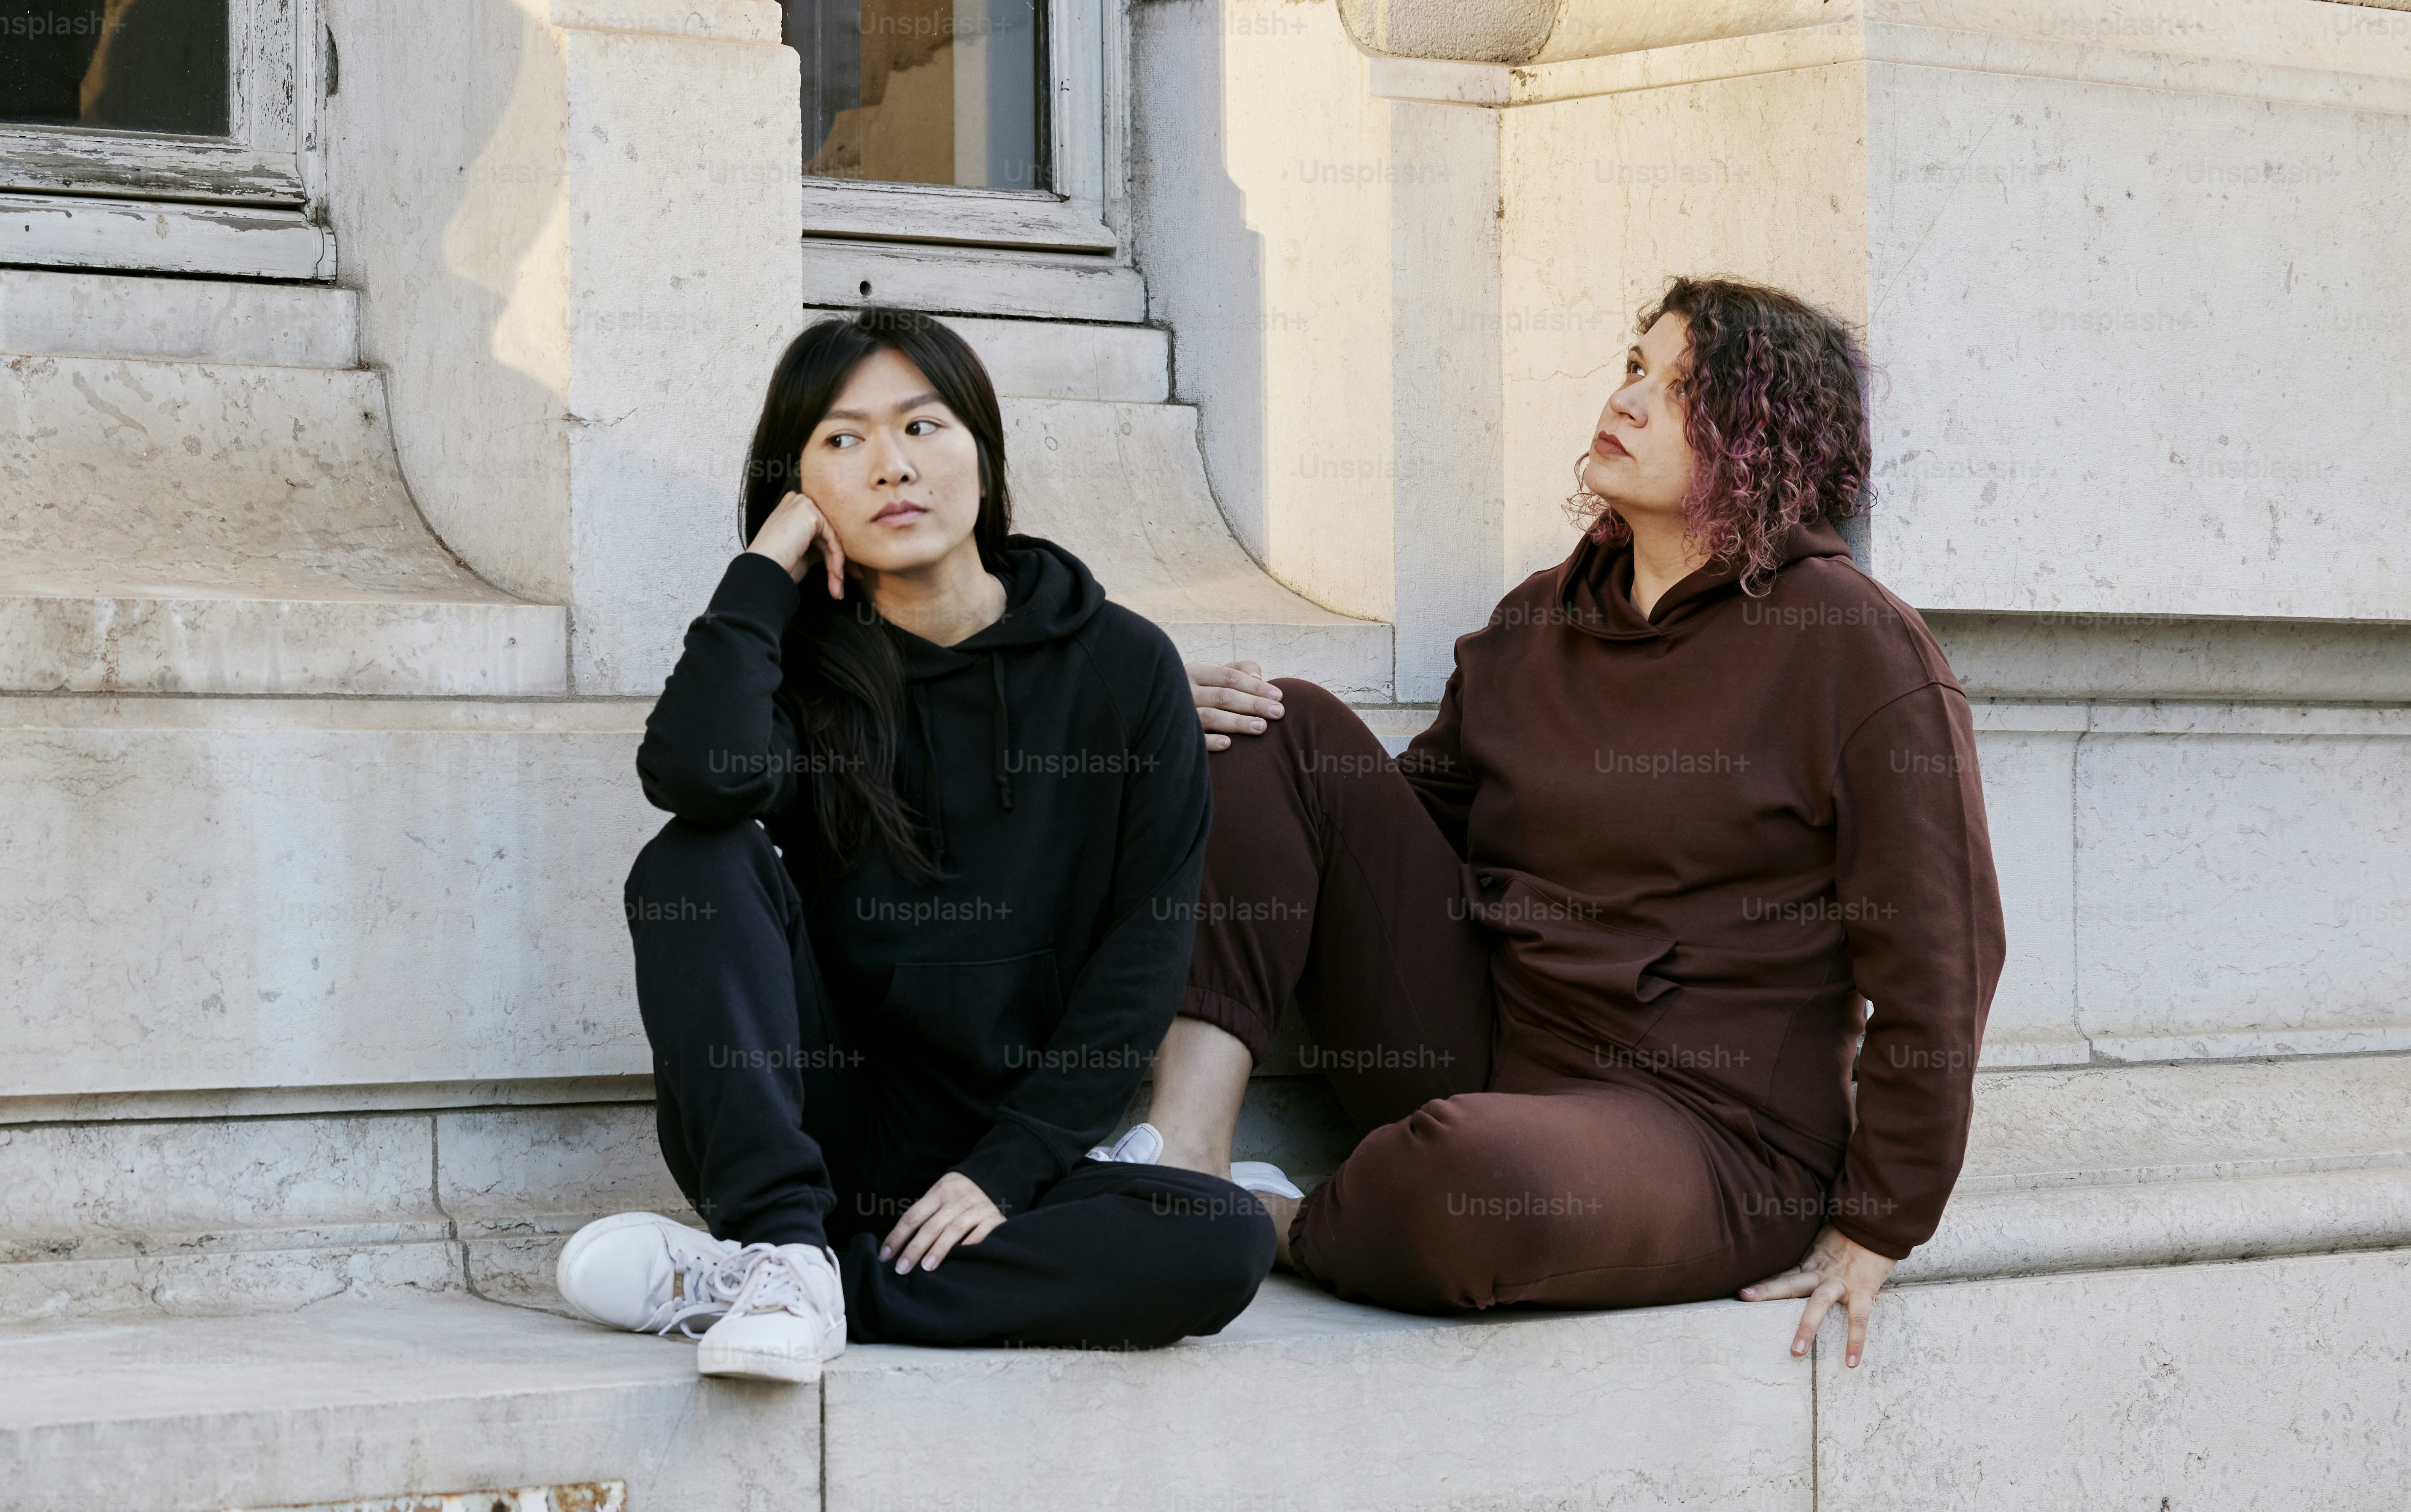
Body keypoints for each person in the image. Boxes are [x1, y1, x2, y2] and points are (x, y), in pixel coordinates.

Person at [1136, 277, 2004, 1367]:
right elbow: (1404, 832)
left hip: (1710, 1134)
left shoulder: (1853, 645)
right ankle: (1182, 1156)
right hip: (1489, 1047)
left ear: (1763, 438)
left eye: (1685, 389)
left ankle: (1270, 1223)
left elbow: (1942, 953)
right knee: (1273, 720)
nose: (1630, 400)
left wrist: (1881, 1216)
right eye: (1637, 367)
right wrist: (1150, 710)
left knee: (1468, 1178)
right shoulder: (1542, 617)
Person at [556, 308, 1277, 1382]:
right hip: (818, 1142)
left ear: (980, 449)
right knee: (693, 860)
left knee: (1219, 1238)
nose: (890, 467)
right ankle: (784, 1240)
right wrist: (764, 569)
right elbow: (696, 774)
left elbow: (1141, 961)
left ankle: (791, 1281)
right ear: (802, 493)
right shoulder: (799, 677)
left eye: (921, 427)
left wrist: (1008, 1168)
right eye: (841, 443)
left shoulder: (1124, 669)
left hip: (1005, 1165)